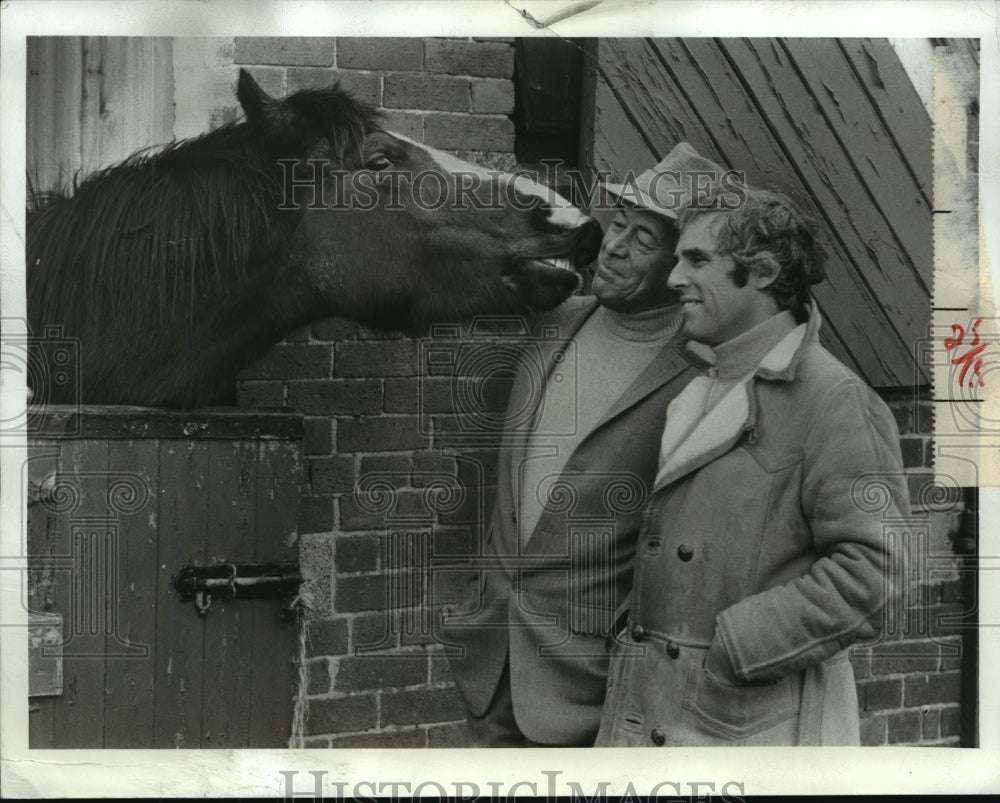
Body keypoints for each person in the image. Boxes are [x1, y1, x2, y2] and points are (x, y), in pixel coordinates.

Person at [443, 143, 736, 746]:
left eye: (644, 241)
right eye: (618, 225)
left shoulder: (702, 376)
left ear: (681, 266)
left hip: (588, 685)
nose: (616, 247)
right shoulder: (554, 318)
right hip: (489, 657)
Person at [595, 186, 908, 747]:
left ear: (761, 272)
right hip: (657, 711)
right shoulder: (704, 384)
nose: (673, 279)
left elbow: (875, 574)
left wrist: (734, 647)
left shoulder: (834, 398)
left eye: (696, 260)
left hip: (749, 727)